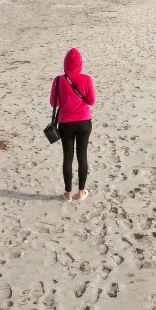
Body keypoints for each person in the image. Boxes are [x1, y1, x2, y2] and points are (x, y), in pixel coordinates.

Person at [50, 48, 96, 202]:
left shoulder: (58, 80)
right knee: (82, 156)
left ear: (65, 63)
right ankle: (81, 192)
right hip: (84, 122)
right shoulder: (86, 78)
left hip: (66, 123)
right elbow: (91, 101)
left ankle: (68, 194)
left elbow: (54, 103)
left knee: (68, 157)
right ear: (80, 63)